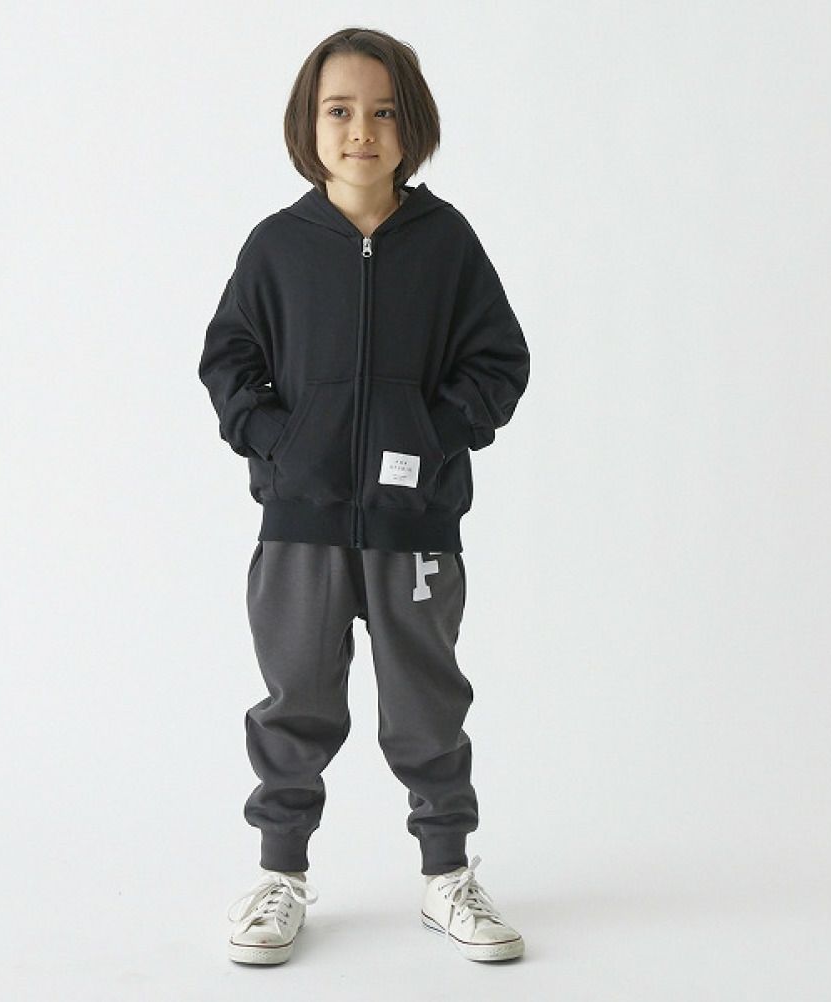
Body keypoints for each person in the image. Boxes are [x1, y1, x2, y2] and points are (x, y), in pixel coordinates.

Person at [199, 26, 530, 965]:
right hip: (300, 525)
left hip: (414, 525)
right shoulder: (278, 247)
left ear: (410, 125)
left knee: (427, 703)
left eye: (383, 112)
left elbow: (500, 361)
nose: (361, 131)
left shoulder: (447, 244)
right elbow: (228, 360)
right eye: (340, 111)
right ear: (309, 125)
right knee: (296, 700)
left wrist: (432, 435)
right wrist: (279, 442)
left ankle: (446, 875)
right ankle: (280, 875)